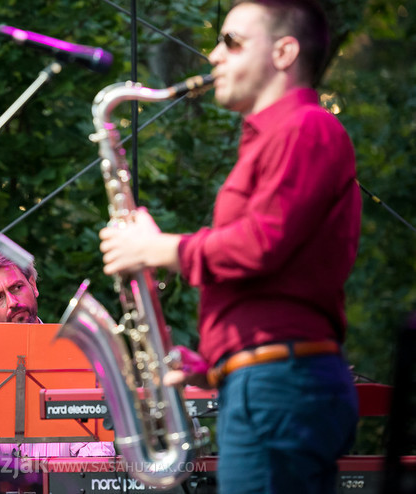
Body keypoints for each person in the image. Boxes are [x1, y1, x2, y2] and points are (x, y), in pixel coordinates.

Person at [99, 1, 361, 493]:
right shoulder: (273, 139)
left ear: (284, 52)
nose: (214, 56)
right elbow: (271, 280)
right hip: (268, 381)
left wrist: (160, 249)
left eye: (232, 42)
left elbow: (262, 244)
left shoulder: (307, 128)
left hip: (281, 383)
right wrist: (206, 362)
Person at [0, 248, 114, 459]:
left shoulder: (77, 350)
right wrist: (12, 471)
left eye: (17, 287)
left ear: (33, 285)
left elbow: (95, 443)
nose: (12, 303)